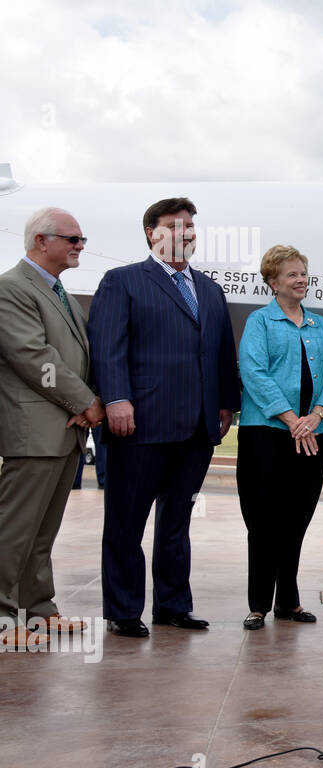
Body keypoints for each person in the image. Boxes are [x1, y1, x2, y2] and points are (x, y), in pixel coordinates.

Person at [88, 197, 239, 638]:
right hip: (139, 425)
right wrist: (116, 398)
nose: (186, 231)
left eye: (190, 225)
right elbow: (107, 346)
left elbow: (221, 350)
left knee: (176, 524)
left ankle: (173, 605)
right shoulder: (122, 281)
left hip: (197, 428)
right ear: (151, 234)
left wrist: (227, 402)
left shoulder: (210, 289)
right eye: (175, 225)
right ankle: (123, 611)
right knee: (125, 523)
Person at [0, 208, 103, 648]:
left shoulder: (58, 291)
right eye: (72, 239)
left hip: (64, 427)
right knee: (14, 529)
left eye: (81, 239)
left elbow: (78, 356)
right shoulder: (11, 289)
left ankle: (37, 611)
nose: (80, 246)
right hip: (34, 430)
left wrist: (85, 407)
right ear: (41, 241)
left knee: (41, 532)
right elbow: (33, 357)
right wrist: (88, 403)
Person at [236, 245, 323, 630]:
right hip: (265, 435)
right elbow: (253, 372)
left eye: (303, 273)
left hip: (313, 434)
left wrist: (314, 416)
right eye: (292, 275)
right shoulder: (259, 322)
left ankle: (289, 602)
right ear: (273, 282)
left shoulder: (321, 326)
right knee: (264, 520)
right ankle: (258, 605)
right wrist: (290, 418)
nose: (301, 280)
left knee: (296, 519)